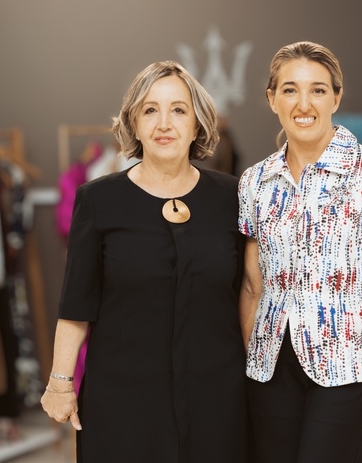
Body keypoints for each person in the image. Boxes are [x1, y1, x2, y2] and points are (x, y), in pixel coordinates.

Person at [41, 61, 252, 463]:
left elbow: (249, 292)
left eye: (178, 110)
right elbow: (76, 305)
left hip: (217, 399)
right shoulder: (98, 200)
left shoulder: (232, 197)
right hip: (121, 403)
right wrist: (60, 383)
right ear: (133, 124)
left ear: (197, 124)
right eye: (150, 110)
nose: (164, 123)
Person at [238, 41, 362, 463]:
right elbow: (252, 285)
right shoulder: (254, 182)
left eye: (317, 90)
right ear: (272, 99)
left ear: (336, 97)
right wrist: (252, 363)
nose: (304, 104)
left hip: (349, 365)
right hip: (270, 369)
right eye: (290, 90)